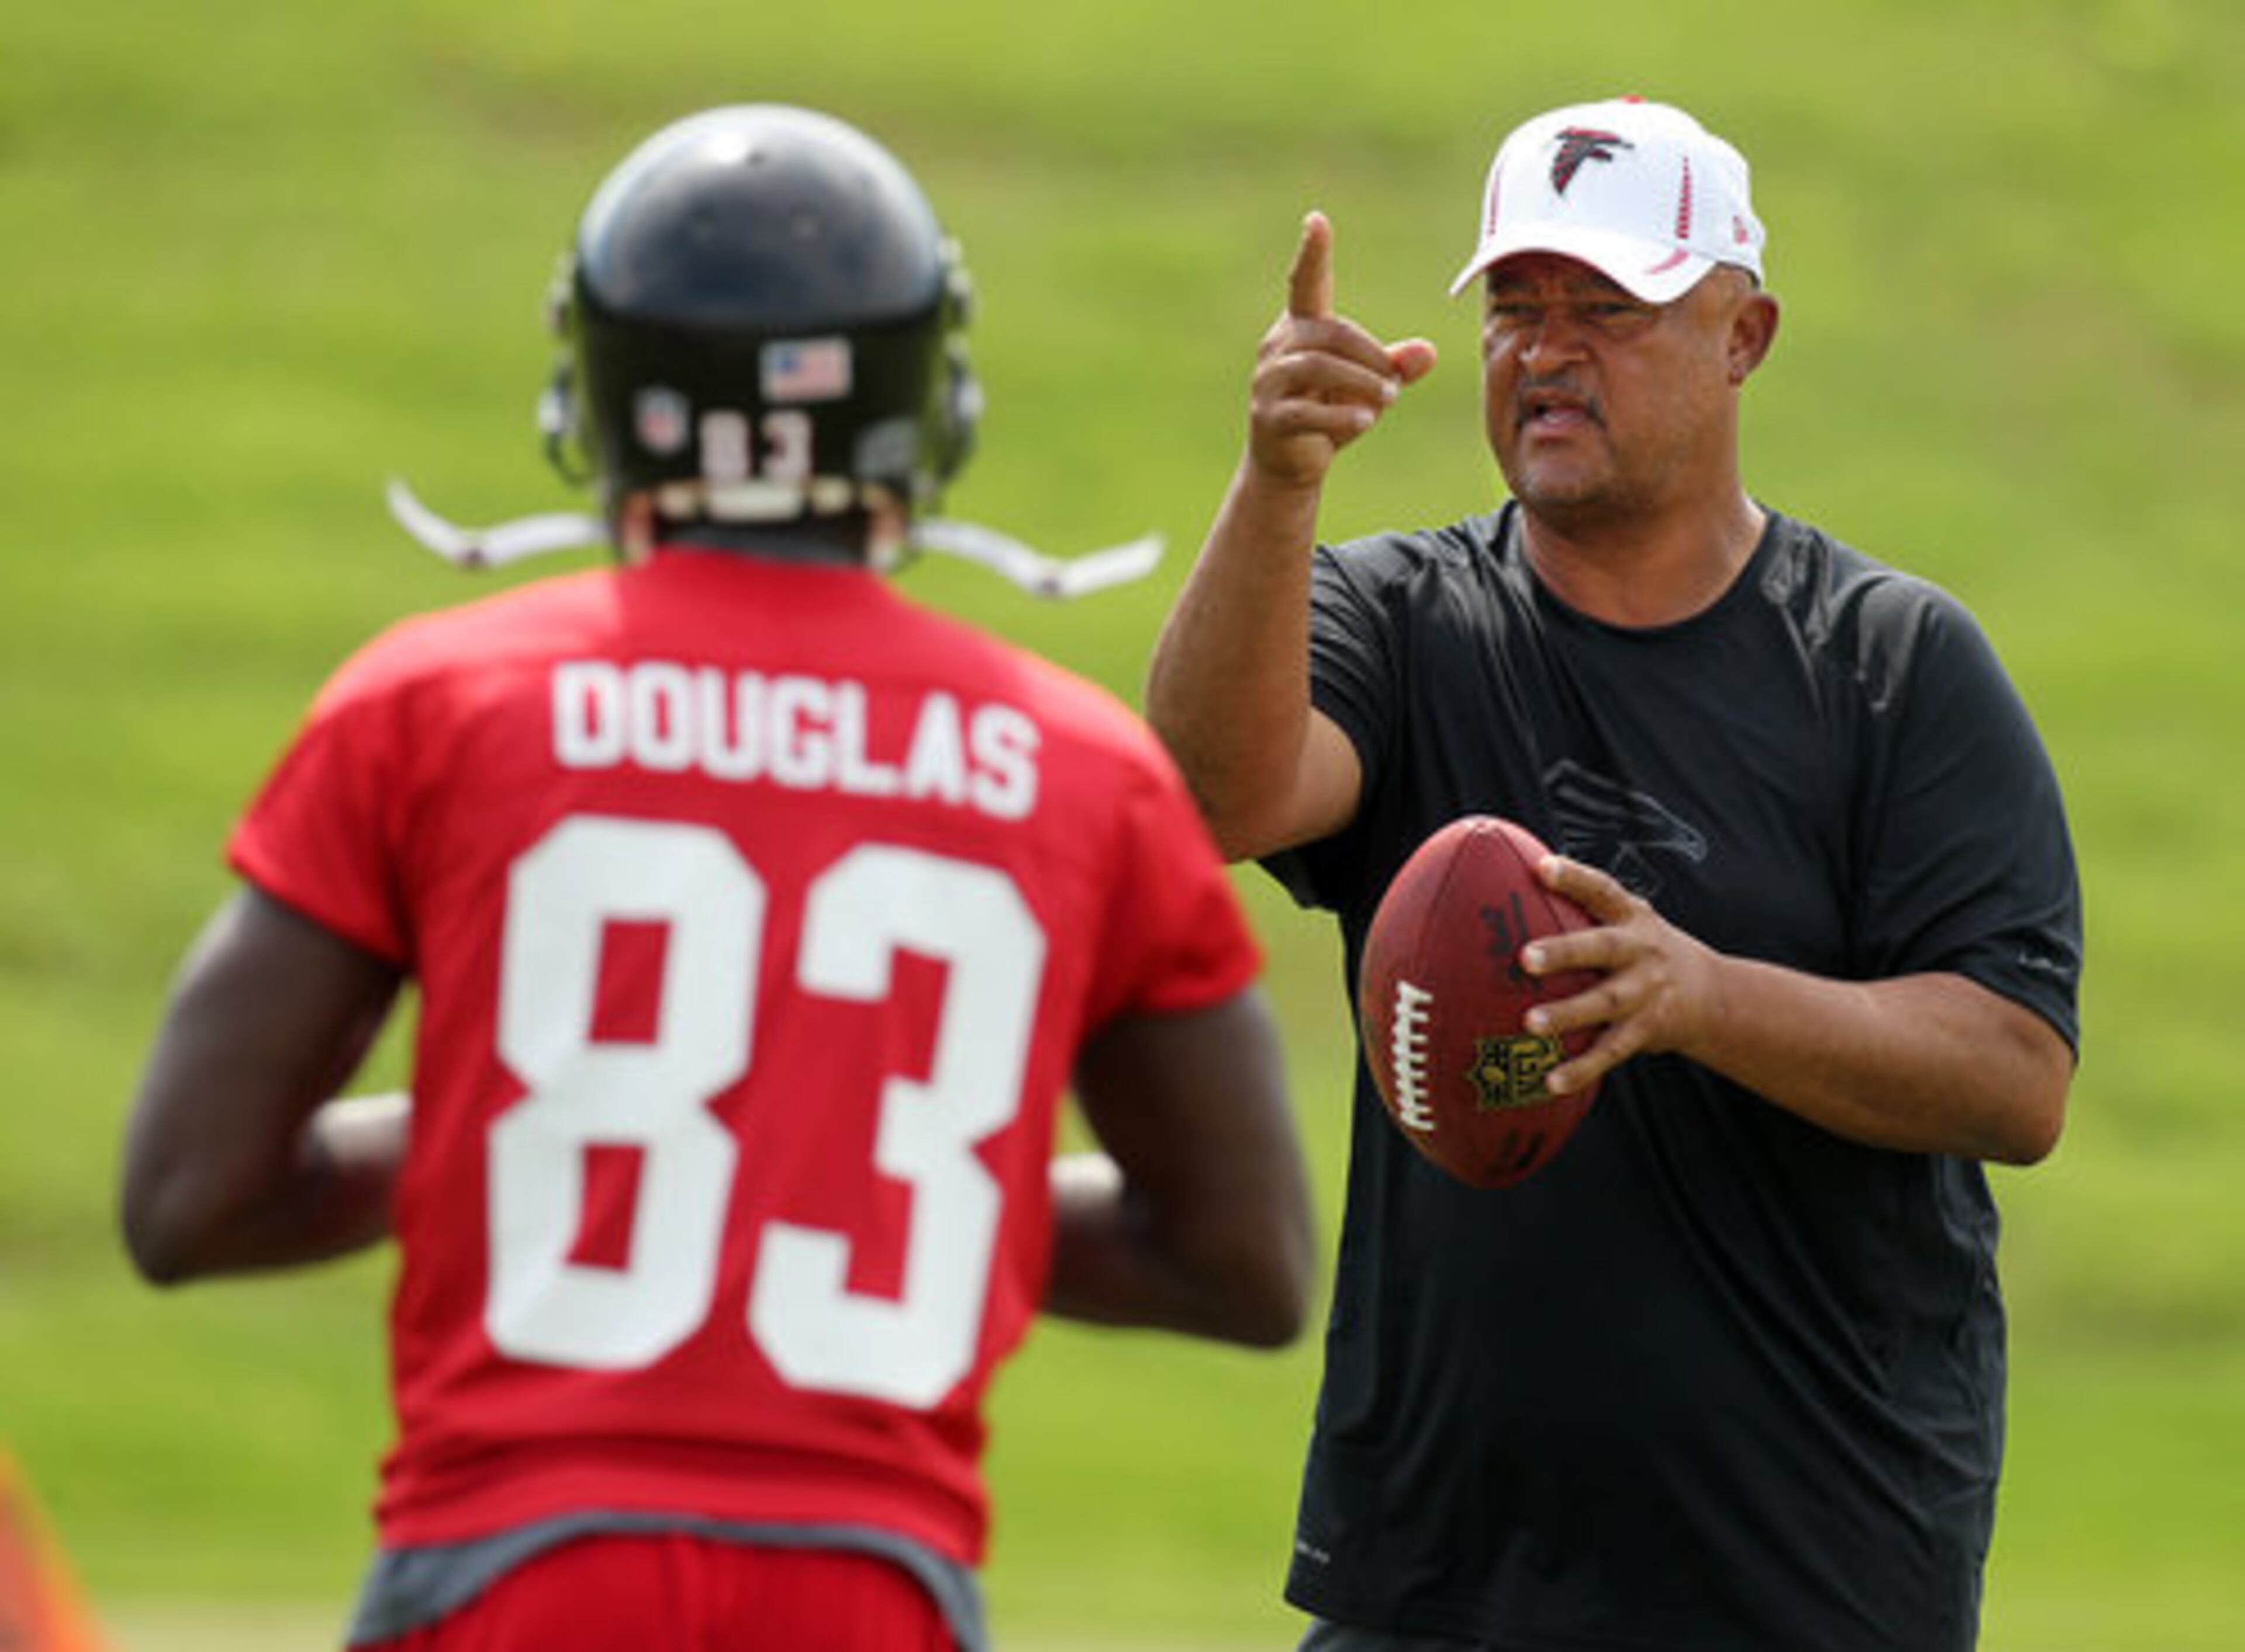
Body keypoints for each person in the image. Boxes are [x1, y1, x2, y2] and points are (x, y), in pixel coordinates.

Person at [122, 104, 1316, 1652]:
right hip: (869, 1589)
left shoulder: (437, 702)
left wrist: (530, 1123)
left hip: (519, 1575)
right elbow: (1244, 1260)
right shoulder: (1076, 764)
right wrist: (834, 1154)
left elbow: (191, 1196)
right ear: (921, 393)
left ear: (607, 388)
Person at [1145, 95, 2081, 1651]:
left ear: (1744, 335)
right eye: (1516, 307)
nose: (1548, 352)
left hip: (1804, 1589)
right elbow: (1204, 800)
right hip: (1438, 1583)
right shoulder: (1407, 620)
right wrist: (1279, 484)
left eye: (1610, 309)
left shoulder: (1892, 666)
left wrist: (1698, 998)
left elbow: (2015, 1073)